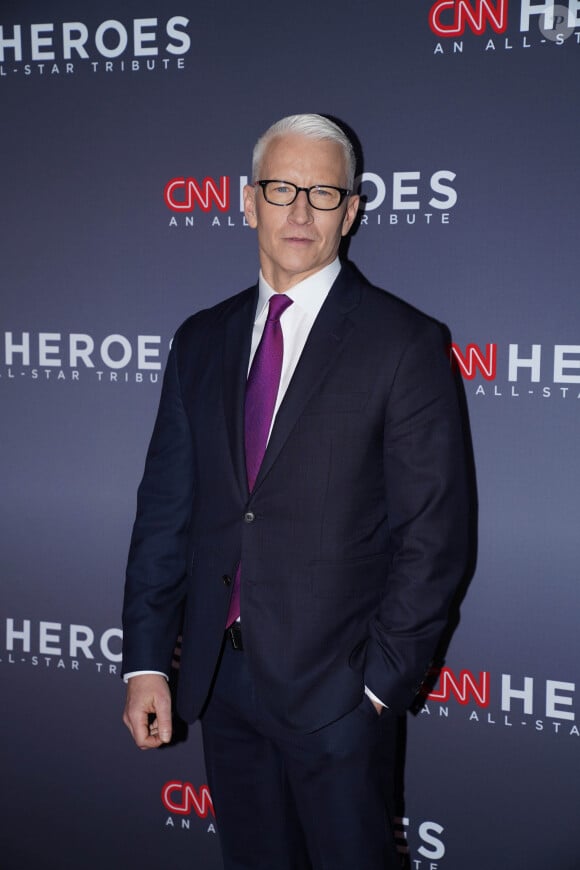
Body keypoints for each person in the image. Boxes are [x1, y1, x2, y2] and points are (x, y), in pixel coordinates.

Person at [122, 113, 469, 870]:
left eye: (322, 193)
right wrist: (148, 662)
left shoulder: (404, 343)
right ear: (248, 202)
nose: (301, 211)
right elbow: (165, 513)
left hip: (340, 695)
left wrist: (377, 686)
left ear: (351, 211)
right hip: (219, 682)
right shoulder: (200, 339)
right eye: (282, 189)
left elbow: (435, 535)